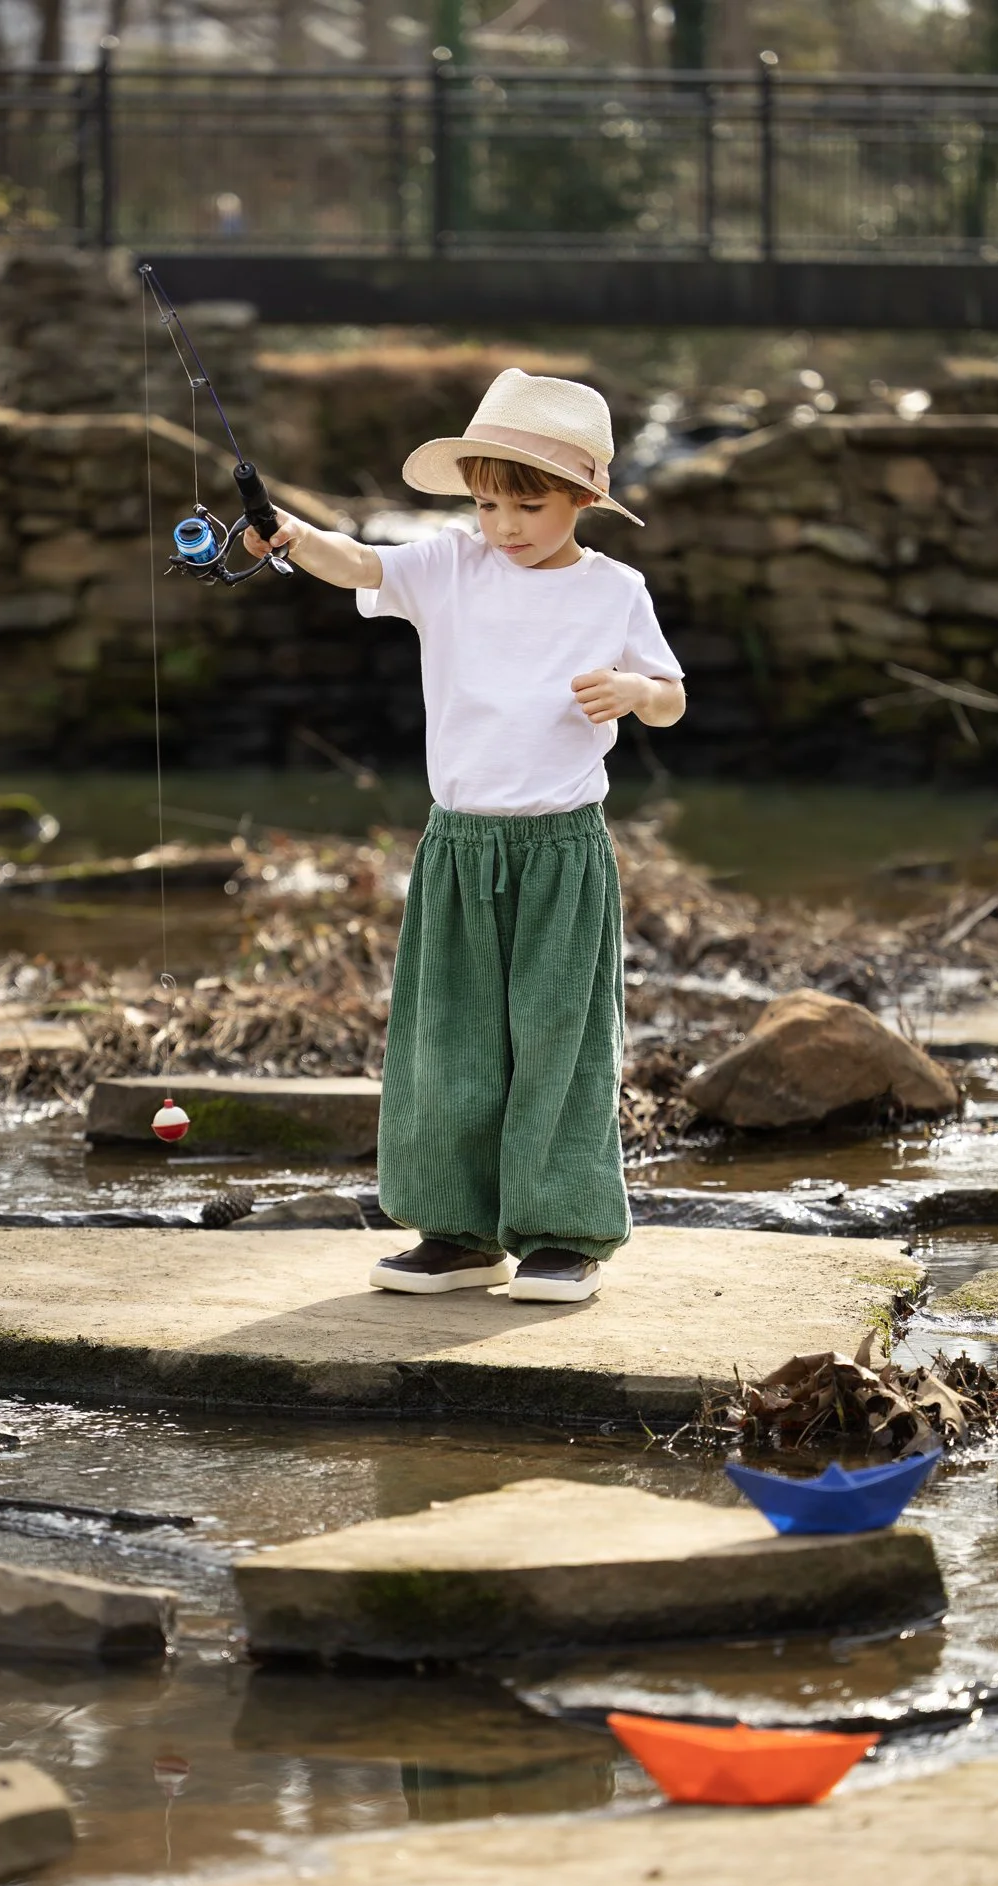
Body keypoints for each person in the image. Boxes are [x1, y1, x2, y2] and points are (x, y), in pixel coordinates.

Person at [243, 368, 686, 1302]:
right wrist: (290, 536)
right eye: (488, 504)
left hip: (562, 849)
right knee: (449, 1039)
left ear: (583, 498)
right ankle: (456, 1232)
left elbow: (674, 695)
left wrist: (638, 694)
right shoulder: (447, 565)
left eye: (528, 504)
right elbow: (357, 561)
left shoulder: (617, 590)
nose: (506, 525)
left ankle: (564, 1233)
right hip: (457, 847)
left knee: (559, 1036)